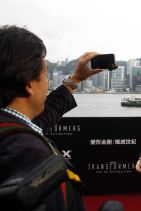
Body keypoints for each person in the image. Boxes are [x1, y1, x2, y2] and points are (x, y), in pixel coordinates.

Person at [0, 25, 102, 211]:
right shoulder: (28, 153)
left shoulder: (12, 130)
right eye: (45, 76)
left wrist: (76, 78)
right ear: (29, 84)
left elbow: (42, 118)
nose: (47, 83)